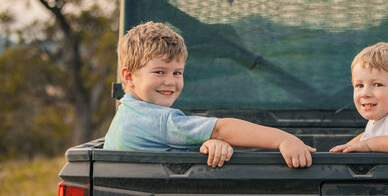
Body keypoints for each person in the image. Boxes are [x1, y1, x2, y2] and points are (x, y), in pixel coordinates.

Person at [104, 21, 316, 168]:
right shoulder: (157, 119)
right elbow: (222, 129)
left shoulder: (128, 113)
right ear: (129, 77)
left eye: (177, 73)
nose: (170, 81)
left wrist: (204, 145)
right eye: (159, 72)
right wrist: (282, 139)